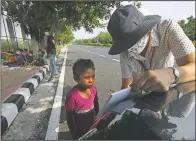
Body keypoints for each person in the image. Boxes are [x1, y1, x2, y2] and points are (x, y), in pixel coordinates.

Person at [107, 4, 195, 93]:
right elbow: (126, 85)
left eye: (134, 37)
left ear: (147, 28)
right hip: (144, 99)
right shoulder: (124, 52)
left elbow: (193, 67)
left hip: (170, 94)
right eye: (125, 44)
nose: (130, 45)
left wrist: (169, 74)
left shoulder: (167, 28)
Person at [64, 58, 99, 140]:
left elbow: (96, 105)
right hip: (79, 131)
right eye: (87, 77)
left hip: (92, 126)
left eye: (93, 76)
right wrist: (74, 133)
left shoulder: (93, 89)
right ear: (76, 78)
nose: (91, 80)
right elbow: (70, 118)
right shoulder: (72, 96)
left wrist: (97, 120)